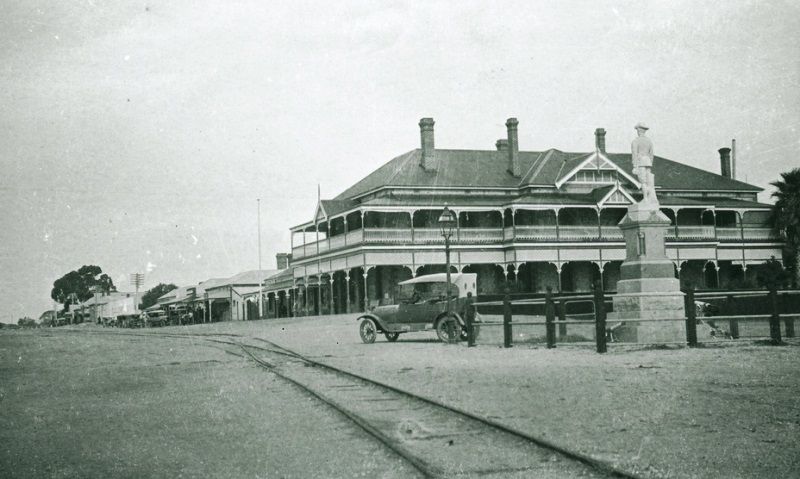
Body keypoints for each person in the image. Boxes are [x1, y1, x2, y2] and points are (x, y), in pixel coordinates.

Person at [631, 122, 658, 206]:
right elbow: (651, 154)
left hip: (641, 162)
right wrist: (650, 162)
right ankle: (649, 198)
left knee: (643, 181)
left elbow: (634, 154)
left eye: (637, 130)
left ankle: (646, 198)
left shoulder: (636, 141)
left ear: (639, 131)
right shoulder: (649, 141)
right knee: (649, 181)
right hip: (648, 162)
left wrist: (635, 166)